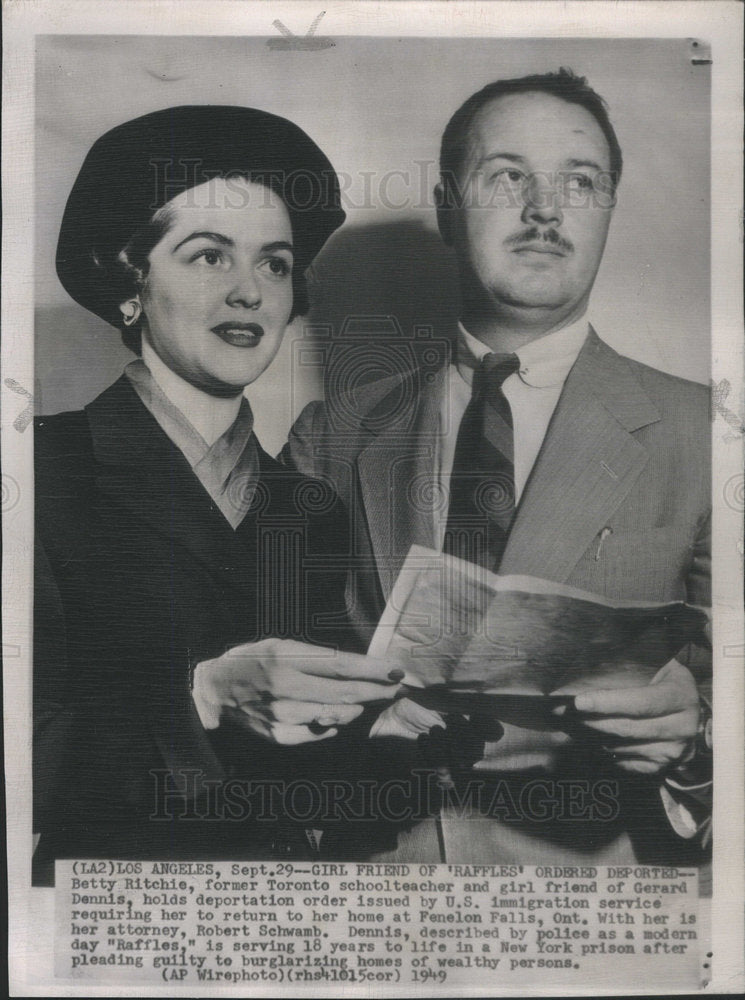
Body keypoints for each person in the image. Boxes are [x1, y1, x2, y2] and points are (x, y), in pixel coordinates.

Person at [280, 70, 713, 864]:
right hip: (372, 889)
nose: (544, 209)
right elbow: (267, 679)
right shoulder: (329, 436)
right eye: (507, 176)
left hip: (597, 893)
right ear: (448, 207)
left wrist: (694, 751)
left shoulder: (708, 433)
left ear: (608, 211)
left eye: (579, 182)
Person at [33, 105, 405, 884]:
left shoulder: (310, 510)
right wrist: (200, 698)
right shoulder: (39, 472)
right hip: (116, 914)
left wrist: (386, 725)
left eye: (274, 265)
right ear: (130, 280)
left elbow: (311, 779)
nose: (249, 293)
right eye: (209, 256)